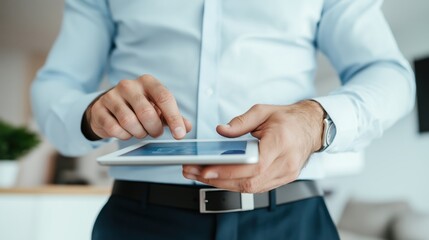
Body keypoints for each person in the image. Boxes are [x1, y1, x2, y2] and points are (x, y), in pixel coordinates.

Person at [31, 0, 415, 239]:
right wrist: (91, 112)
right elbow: (56, 86)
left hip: (291, 220)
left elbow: (389, 74)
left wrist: (314, 120)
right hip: (139, 223)